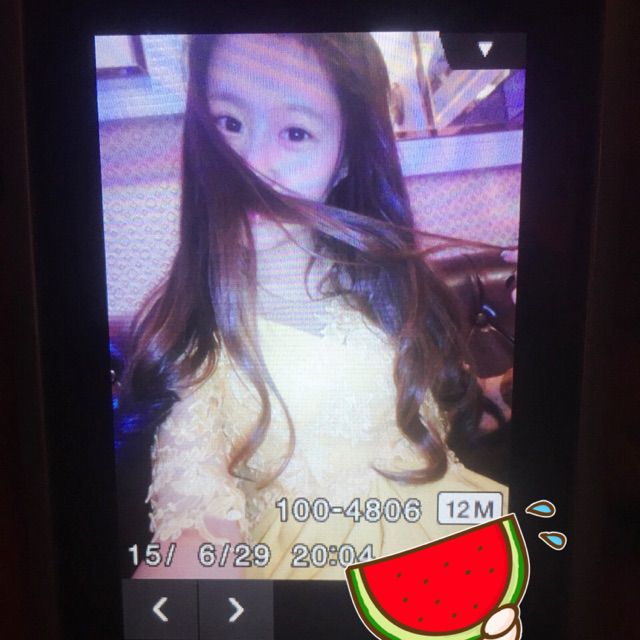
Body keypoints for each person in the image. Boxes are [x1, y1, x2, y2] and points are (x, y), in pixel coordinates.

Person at [121, 32, 510, 599]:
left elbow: (424, 415)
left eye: (296, 132)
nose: (249, 166)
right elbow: (195, 545)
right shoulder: (195, 341)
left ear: (344, 158)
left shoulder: (384, 282)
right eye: (229, 122)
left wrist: (494, 392)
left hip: (469, 546)